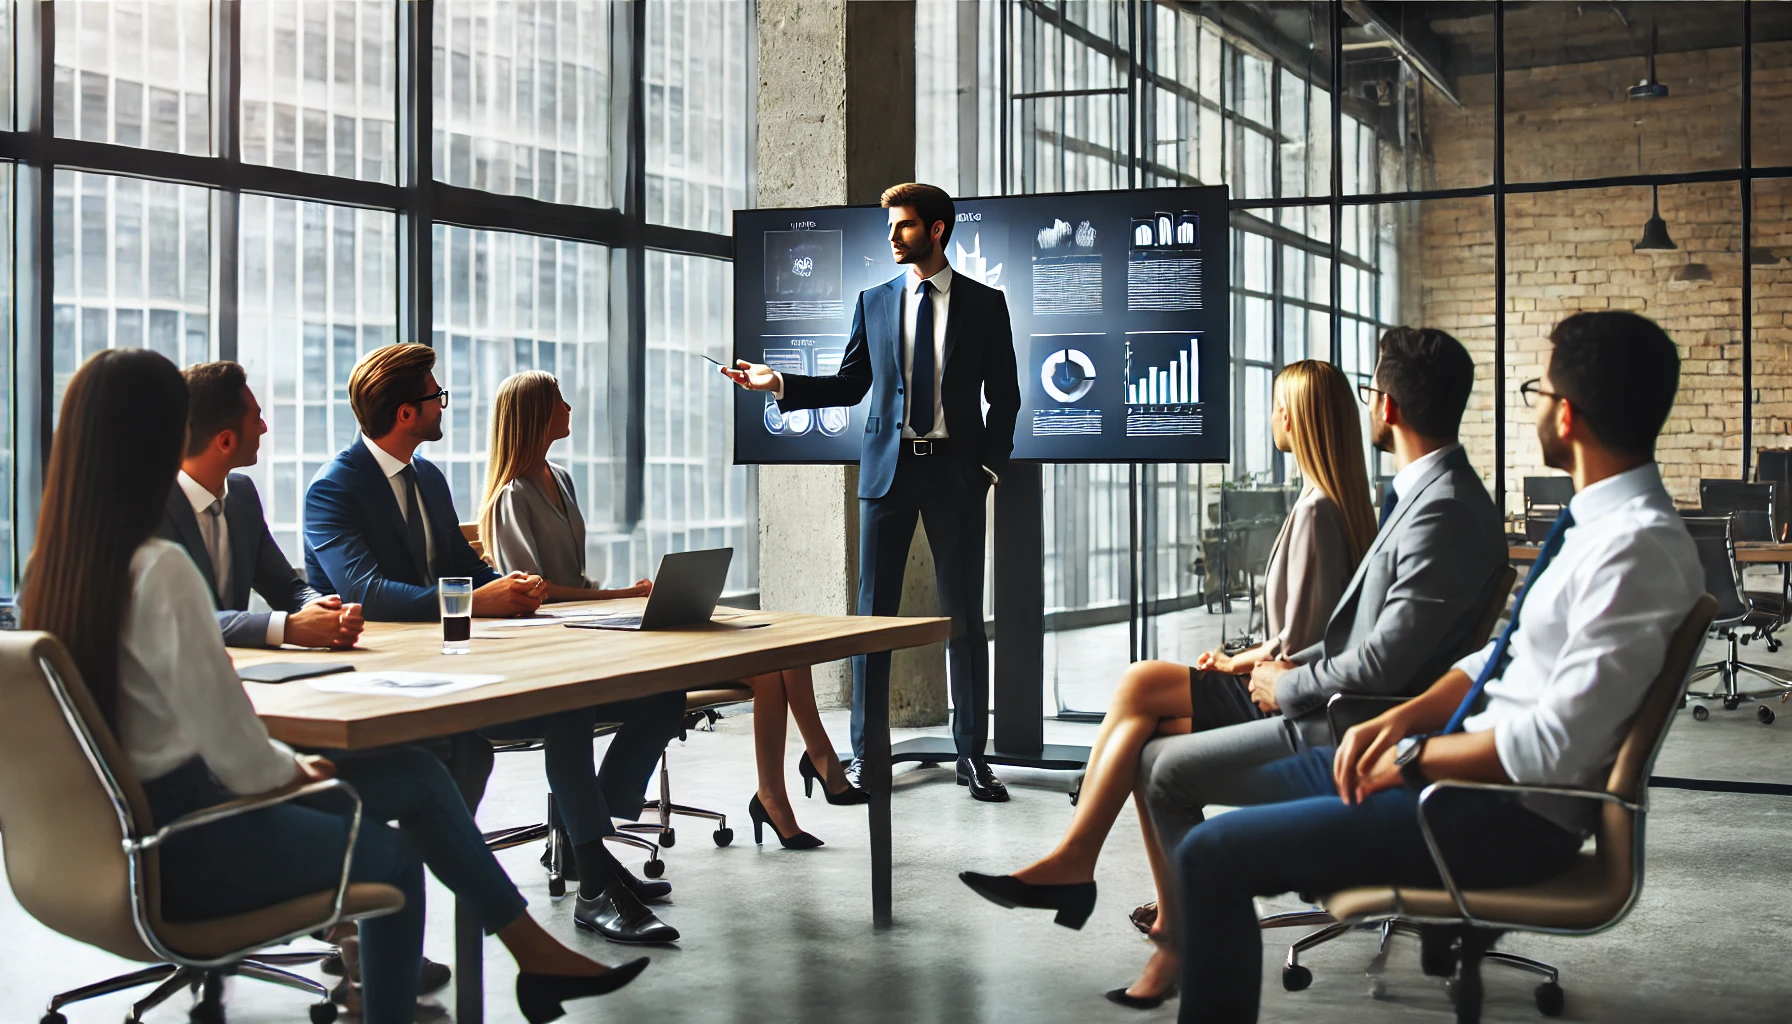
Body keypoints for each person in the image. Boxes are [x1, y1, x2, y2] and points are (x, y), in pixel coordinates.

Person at [21, 348, 646, 1024]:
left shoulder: (50, 575)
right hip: (194, 837)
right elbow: (234, 754)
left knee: (416, 773)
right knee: (396, 861)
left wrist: (289, 764)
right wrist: (297, 772)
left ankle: (534, 954)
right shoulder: (160, 568)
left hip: (110, 843)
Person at [1167, 310, 1701, 1024]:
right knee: (1183, 775)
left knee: (1209, 853)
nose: (1535, 405)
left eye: (1537, 392)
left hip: (1494, 812)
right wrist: (1398, 720)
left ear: (1567, 416)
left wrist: (1413, 758)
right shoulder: (1599, 525)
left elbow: (1549, 748)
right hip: (1456, 774)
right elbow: (1495, 654)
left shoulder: (1634, 549)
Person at [958, 359, 1377, 947]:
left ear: (1296, 416)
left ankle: (1075, 862)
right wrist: (1236, 659)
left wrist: (1248, 663)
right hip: (1278, 684)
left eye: (1279, 403)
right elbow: (1315, 632)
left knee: (1136, 684)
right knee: (1145, 740)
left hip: (1283, 702)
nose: (1272, 415)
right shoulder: (1331, 503)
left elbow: (1300, 649)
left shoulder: (1314, 513)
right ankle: (1153, 902)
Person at [303, 344, 686, 945]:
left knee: (662, 693)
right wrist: (476, 601)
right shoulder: (334, 488)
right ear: (407, 413)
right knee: (564, 706)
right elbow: (368, 593)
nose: (443, 407)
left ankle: (595, 847)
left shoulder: (426, 478)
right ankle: (593, 882)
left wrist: (510, 588)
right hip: (392, 677)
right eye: (435, 398)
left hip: (463, 654)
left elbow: (460, 564)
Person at [478, 371, 868, 851]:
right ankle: (596, 818)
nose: (568, 407)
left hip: (599, 624)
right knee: (752, 671)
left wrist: (627, 598)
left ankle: (775, 794)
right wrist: (620, 595)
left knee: (779, 658)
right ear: (536, 414)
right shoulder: (512, 496)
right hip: (567, 640)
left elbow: (573, 581)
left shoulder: (559, 479)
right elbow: (532, 593)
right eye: (558, 400)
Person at [725, 182, 1022, 801]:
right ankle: (867, 755)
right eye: (890, 225)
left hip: (956, 475)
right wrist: (779, 381)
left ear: (938, 230)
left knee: (964, 621)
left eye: (905, 225)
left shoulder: (986, 305)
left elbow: (1007, 397)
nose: (892, 236)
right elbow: (849, 384)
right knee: (870, 621)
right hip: (888, 475)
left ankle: (972, 757)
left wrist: (988, 469)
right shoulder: (875, 301)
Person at [156, 360, 363, 651]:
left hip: (244, 673)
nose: (264, 428)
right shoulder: (150, 508)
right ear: (225, 441)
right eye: (257, 420)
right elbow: (178, 620)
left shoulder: (242, 496)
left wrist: (323, 609)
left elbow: (284, 586)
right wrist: (286, 628)